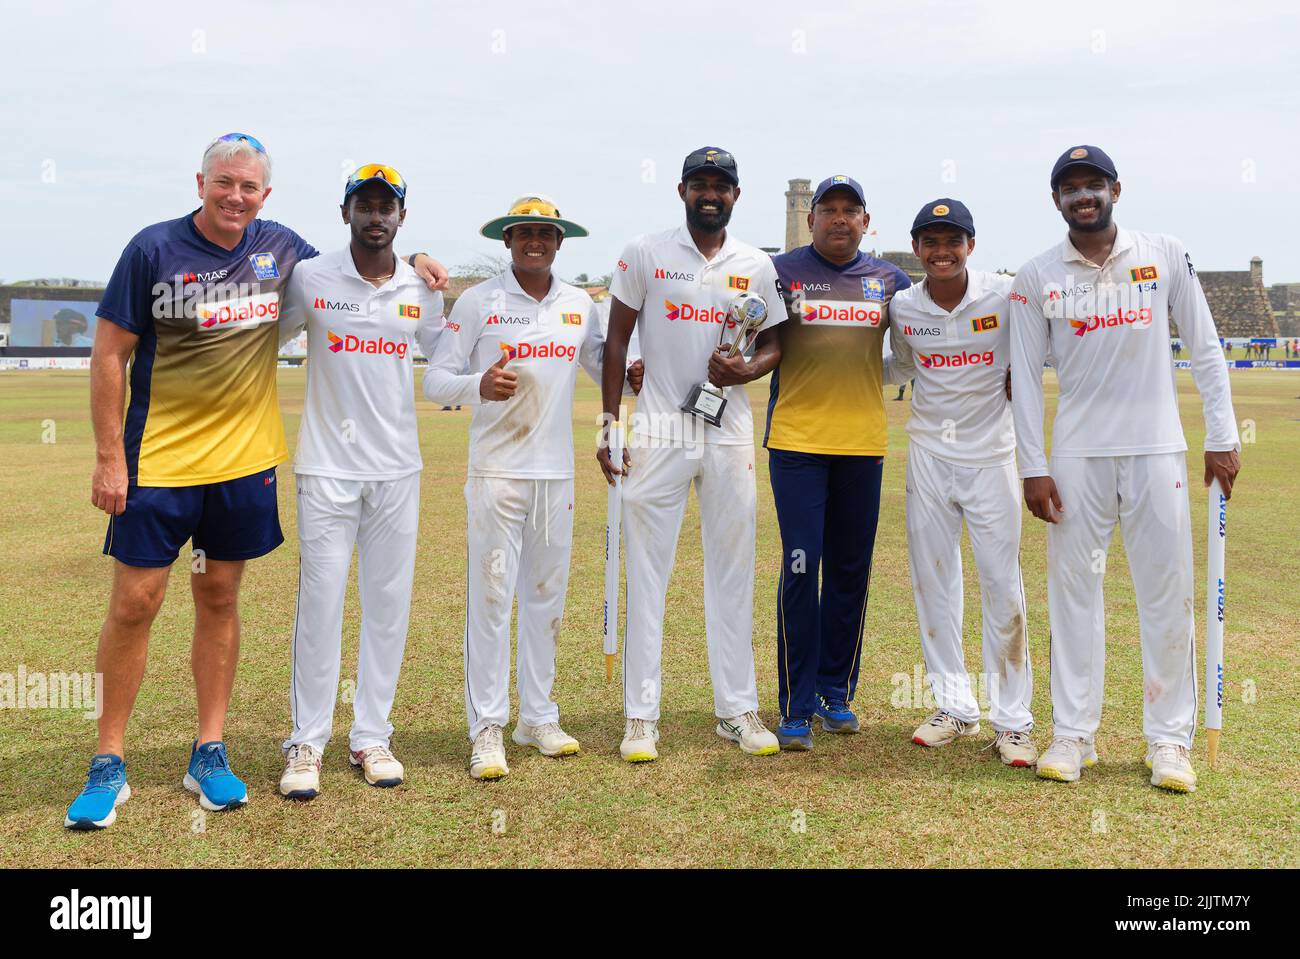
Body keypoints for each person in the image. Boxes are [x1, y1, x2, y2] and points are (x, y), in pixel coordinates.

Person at [66, 133, 447, 829]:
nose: (235, 196)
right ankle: (108, 758)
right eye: (224, 183)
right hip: (158, 465)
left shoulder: (280, 249)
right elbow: (109, 354)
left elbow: (369, 257)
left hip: (242, 468)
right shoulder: (152, 249)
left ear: (264, 196)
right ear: (202, 182)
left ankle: (207, 750)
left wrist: (418, 259)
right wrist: (107, 456)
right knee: (135, 603)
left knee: (218, 597)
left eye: (248, 187)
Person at [1009, 145, 1241, 793]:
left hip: (1156, 450)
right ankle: (1073, 734)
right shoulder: (1037, 276)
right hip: (1076, 455)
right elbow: (1024, 379)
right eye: (1070, 188)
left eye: (1094, 184)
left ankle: (1168, 741)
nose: (1083, 196)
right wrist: (1033, 464)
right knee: (1073, 597)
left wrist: (1220, 436)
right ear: (1055, 200)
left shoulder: (1163, 254)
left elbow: (1205, 346)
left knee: (1165, 595)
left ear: (1116, 188)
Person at [425, 195, 642, 780]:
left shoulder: (579, 304)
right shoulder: (478, 301)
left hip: (555, 475)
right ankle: (487, 726)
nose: (535, 243)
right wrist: (479, 386)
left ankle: (538, 716)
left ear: (560, 242)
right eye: (524, 234)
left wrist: (636, 373)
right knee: (493, 597)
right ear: (508, 241)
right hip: (496, 471)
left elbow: (603, 364)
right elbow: (435, 378)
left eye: (545, 234)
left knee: (546, 599)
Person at [599, 147, 784, 762]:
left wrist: (745, 368)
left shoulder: (756, 264)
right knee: (648, 574)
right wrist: (609, 424)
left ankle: (736, 709)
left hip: (727, 434)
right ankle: (640, 715)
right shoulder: (646, 251)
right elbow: (617, 338)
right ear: (681, 190)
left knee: (733, 572)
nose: (711, 194)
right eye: (700, 184)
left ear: (736, 194)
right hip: (658, 431)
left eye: (722, 186)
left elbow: (776, 343)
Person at [275, 164, 443, 799]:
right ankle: (306, 743)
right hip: (326, 466)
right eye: (364, 205)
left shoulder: (420, 286)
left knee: (388, 607)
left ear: (402, 216)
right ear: (344, 211)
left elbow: (448, 358)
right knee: (320, 604)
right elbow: (266, 339)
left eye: (387, 207)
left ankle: (372, 735)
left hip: (398, 467)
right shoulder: (311, 277)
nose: (376, 215)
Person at [883, 199, 1035, 767]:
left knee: (1002, 586)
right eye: (930, 242)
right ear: (917, 248)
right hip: (927, 454)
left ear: (971, 245)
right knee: (934, 583)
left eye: (953, 241)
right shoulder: (902, 305)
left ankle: (1013, 721)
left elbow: (1035, 354)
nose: (941, 252)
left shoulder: (1004, 294)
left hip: (992, 456)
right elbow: (898, 367)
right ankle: (953, 706)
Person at [763, 175, 910, 750]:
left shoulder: (889, 280)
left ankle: (834, 691)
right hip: (797, 443)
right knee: (801, 567)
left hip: (863, 445)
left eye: (852, 210)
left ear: (866, 222)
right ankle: (795, 703)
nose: (840, 218)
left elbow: (920, 343)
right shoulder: (778, 272)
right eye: (829, 209)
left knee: (850, 571)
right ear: (811, 219)